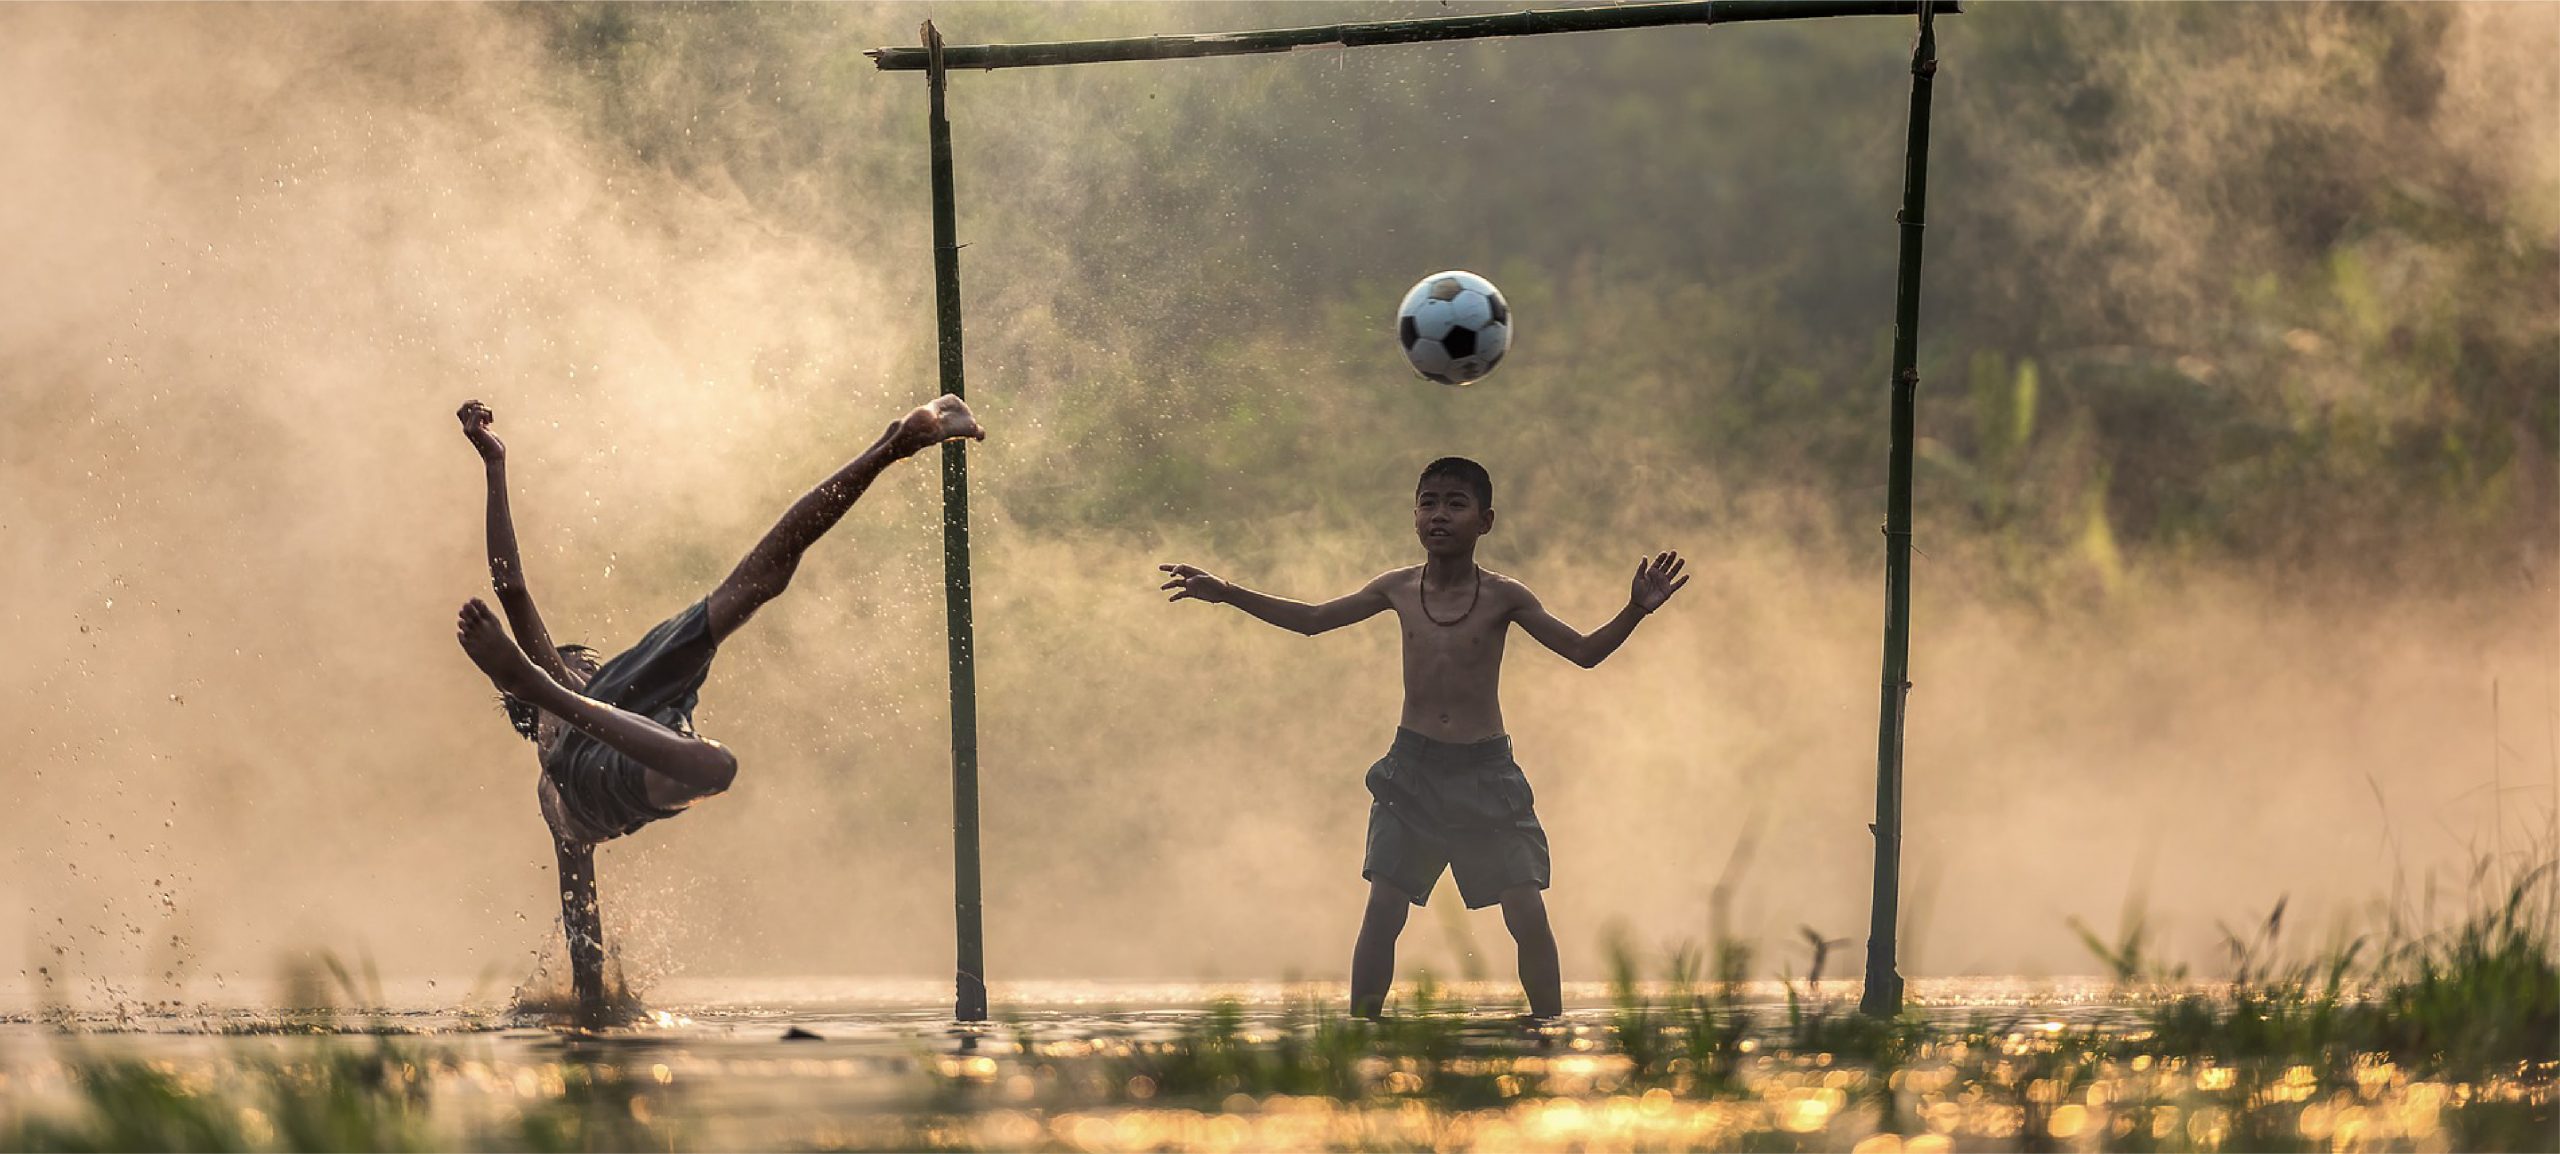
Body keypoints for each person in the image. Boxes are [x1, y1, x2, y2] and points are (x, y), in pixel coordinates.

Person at [451, 395, 984, 1010]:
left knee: (756, 586)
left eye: (583, 667)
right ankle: (891, 446)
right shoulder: (562, 750)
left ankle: (895, 444)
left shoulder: (595, 712)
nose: (587, 666)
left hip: (640, 720)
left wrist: (495, 462)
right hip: (594, 763)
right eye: (578, 665)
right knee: (712, 753)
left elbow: (581, 921)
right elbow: (509, 583)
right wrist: (492, 465)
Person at [1158, 456, 1686, 1020]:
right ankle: (1361, 1033)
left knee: (1526, 912)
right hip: (1413, 772)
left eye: (1455, 504)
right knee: (1383, 910)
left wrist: (1635, 610)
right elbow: (1313, 619)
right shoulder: (1398, 588)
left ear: (1485, 521)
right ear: (1414, 515)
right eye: (1428, 502)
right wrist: (1229, 593)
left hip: (1486, 774)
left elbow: (1583, 652)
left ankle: (1548, 1031)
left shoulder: (1506, 596)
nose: (1439, 515)